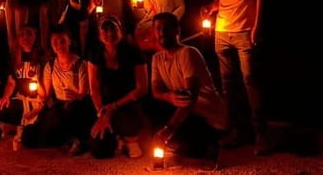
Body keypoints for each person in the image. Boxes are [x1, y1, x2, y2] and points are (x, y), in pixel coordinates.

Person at [201, 0, 270, 154]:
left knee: (251, 81)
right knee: (227, 85)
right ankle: (235, 131)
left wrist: (257, 27)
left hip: (244, 31)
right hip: (222, 32)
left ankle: (261, 134)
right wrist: (210, 9)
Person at [151, 13, 226, 165]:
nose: (162, 32)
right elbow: (156, 91)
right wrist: (169, 97)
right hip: (188, 113)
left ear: (177, 30)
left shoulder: (187, 53)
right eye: (158, 28)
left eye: (167, 28)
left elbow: (190, 99)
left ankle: (210, 144)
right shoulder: (157, 58)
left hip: (207, 117)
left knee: (190, 150)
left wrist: (168, 129)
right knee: (150, 107)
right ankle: (178, 143)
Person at [22, 26, 92, 155]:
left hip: (78, 105)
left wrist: (75, 96)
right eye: (55, 42)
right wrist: (36, 78)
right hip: (60, 106)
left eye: (62, 41)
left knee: (69, 111)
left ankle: (78, 140)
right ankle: (66, 139)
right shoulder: (50, 65)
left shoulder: (80, 64)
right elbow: (46, 95)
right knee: (30, 137)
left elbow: (83, 93)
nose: (59, 45)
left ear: (69, 41)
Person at [87, 16, 147, 159]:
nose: (109, 34)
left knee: (129, 123)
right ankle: (117, 138)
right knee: (99, 150)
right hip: (103, 105)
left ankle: (129, 139)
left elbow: (142, 88)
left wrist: (113, 107)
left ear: (121, 31)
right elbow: (93, 86)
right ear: (99, 34)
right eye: (104, 30)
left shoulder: (134, 52)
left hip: (126, 104)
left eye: (112, 29)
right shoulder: (95, 53)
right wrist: (102, 113)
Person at [0, 26, 47, 149]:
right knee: (1, 108)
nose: (25, 38)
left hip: (38, 98)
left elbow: (46, 87)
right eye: (22, 35)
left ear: (34, 37)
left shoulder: (42, 57)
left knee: (32, 136)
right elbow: (11, 82)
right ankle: (17, 125)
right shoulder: (15, 57)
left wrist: (36, 80)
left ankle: (20, 128)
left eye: (29, 34)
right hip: (21, 97)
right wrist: (6, 96)